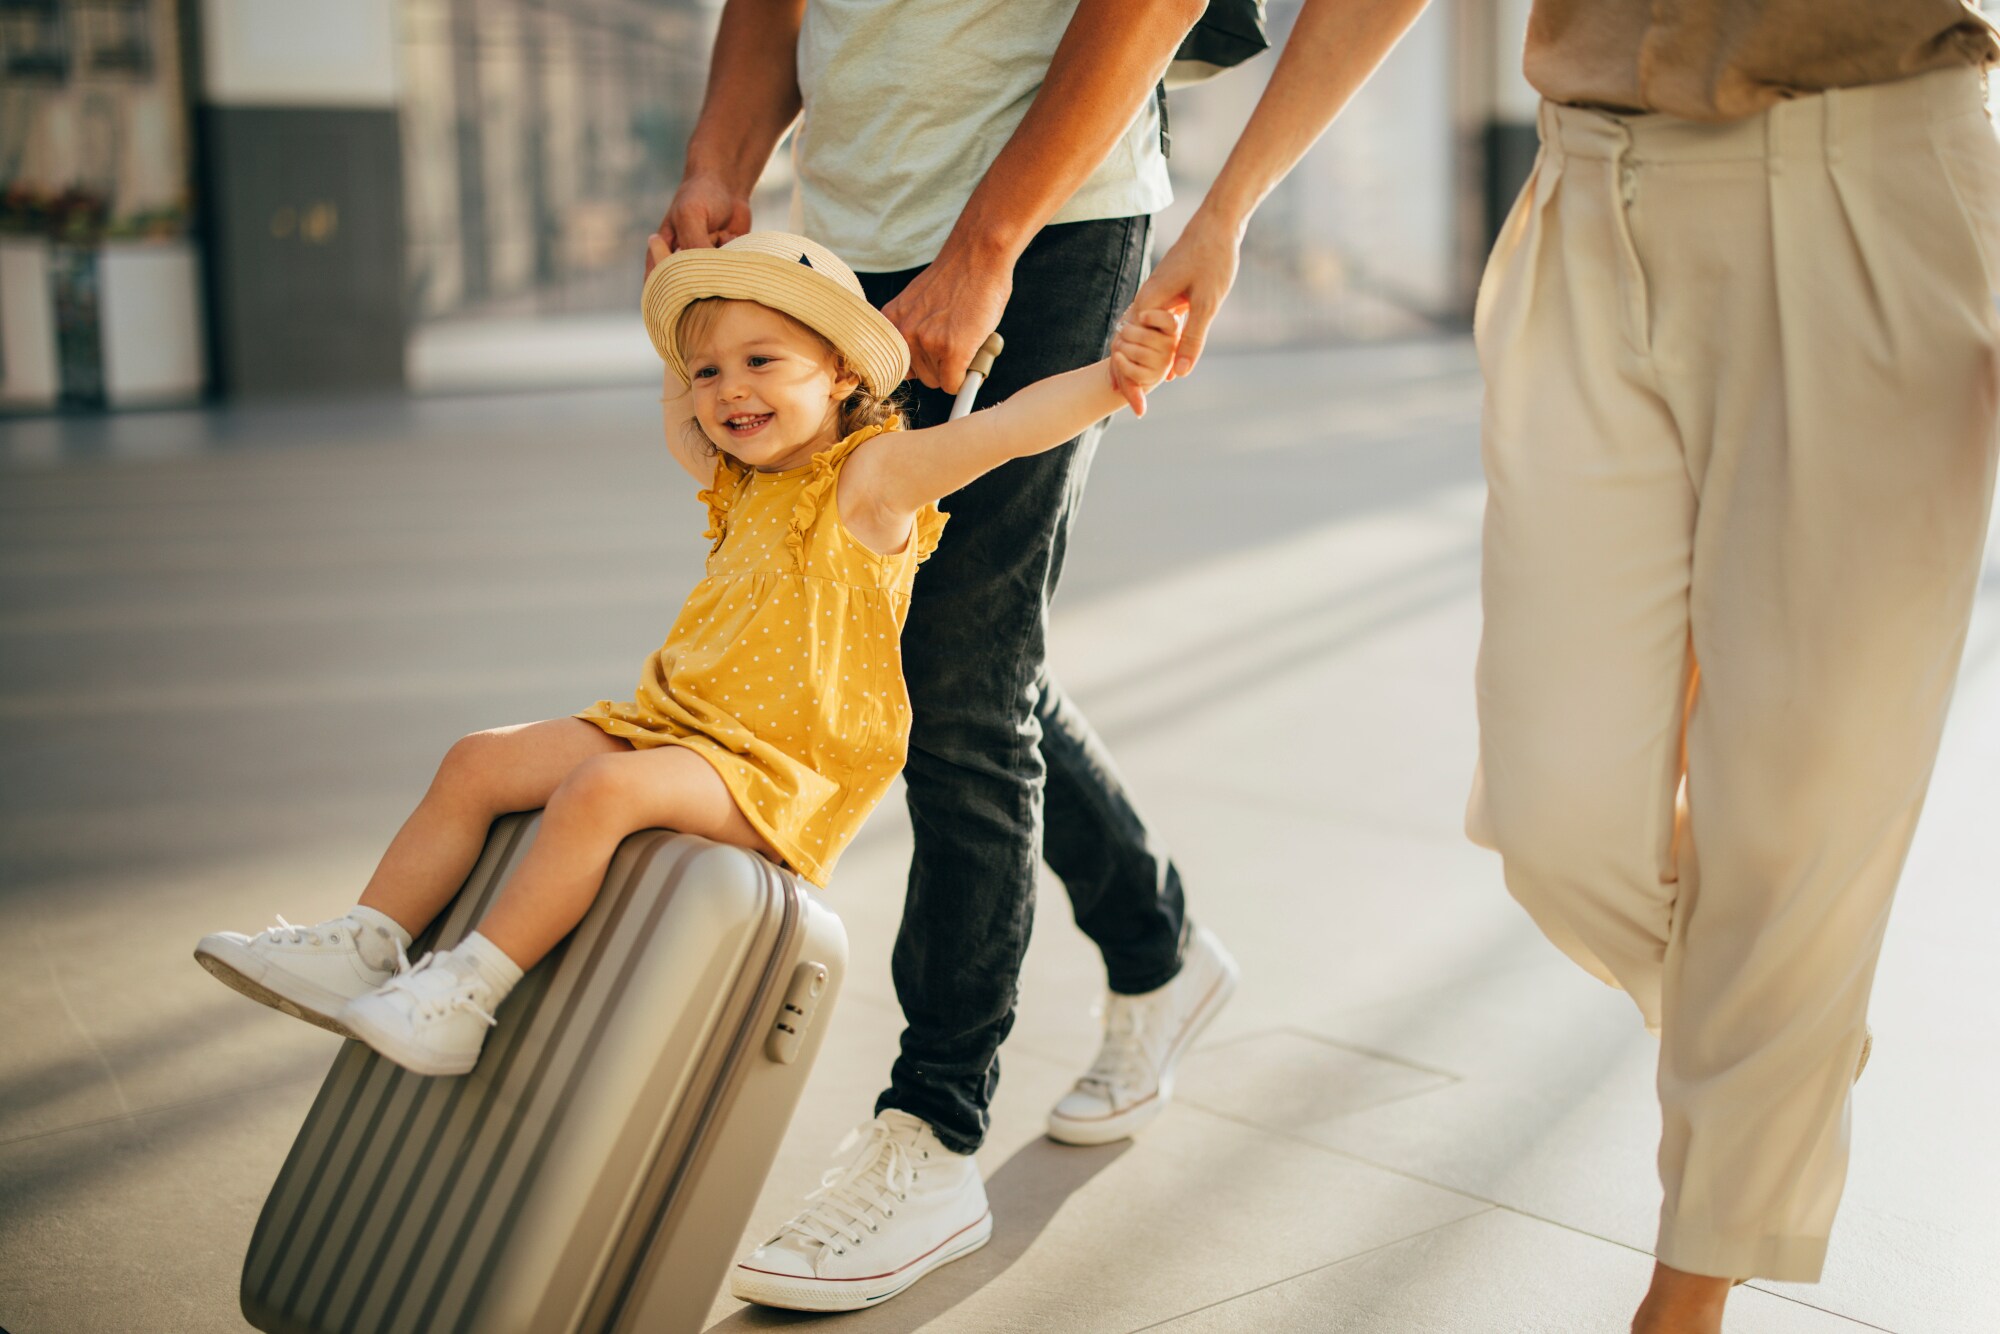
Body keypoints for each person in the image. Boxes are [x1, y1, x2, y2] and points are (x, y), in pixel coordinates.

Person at [1133, 2, 2000, 1331]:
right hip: (1592, 189)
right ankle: (1774, 1026)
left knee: (1802, 815)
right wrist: (1234, 197)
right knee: (1558, 816)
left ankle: (1688, 1283)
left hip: (1875, 186)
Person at [192, 232, 1185, 1092]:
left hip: (779, 763)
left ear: (841, 372)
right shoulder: (735, 479)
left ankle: (463, 993)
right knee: (475, 760)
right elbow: (682, 403)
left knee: (598, 793)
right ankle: (366, 944)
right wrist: (674, 299)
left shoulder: (873, 480)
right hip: (673, 721)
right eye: (708, 372)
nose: (726, 390)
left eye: (760, 361)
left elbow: (1005, 432)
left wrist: (1113, 375)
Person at [654, 0, 1241, 1311]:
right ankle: (1159, 943)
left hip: (1049, 214)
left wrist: (989, 244)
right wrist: (716, 165)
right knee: (943, 643)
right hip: (845, 240)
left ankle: (936, 1123)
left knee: (962, 673)